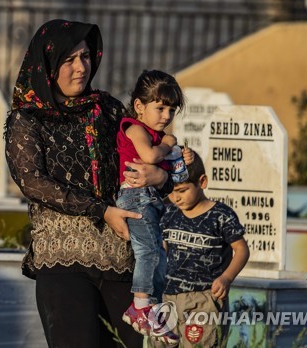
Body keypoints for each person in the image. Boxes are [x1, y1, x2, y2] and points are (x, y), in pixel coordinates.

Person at [4, 19, 171, 348]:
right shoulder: (28, 119)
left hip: (125, 260)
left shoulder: (108, 110)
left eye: (85, 57)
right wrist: (102, 210)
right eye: (69, 60)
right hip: (64, 262)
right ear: (49, 65)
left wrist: (161, 176)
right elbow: (33, 181)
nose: (81, 67)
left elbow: (146, 160)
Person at [115, 70, 189, 345]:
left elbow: (179, 177)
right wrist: (169, 143)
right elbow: (148, 156)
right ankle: (140, 306)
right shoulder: (133, 128)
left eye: (171, 109)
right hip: (136, 197)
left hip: (152, 201)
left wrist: (182, 160)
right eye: (160, 108)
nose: (166, 116)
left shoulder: (157, 137)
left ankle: (151, 305)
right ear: (139, 106)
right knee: (147, 252)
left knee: (159, 257)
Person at [160, 151, 250, 347]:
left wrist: (226, 278)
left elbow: (242, 250)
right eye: (172, 191)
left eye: (182, 190)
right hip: (168, 296)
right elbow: (163, 249)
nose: (176, 197)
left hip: (205, 298)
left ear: (202, 182)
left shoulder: (221, 215)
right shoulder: (168, 213)